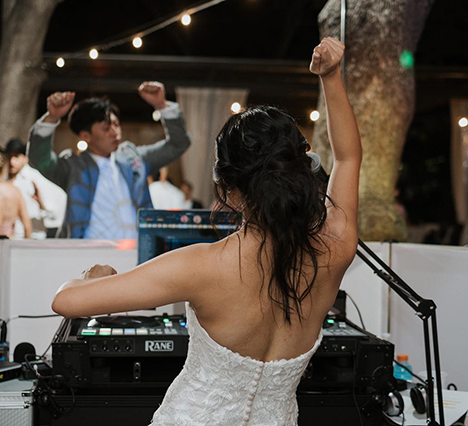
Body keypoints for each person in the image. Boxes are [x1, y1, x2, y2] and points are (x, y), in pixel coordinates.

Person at [51, 38, 361, 425]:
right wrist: (330, 75)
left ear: (229, 191)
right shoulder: (335, 247)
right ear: (302, 171)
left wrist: (93, 277)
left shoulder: (202, 266)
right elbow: (349, 157)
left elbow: (65, 301)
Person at [27, 81, 191, 239]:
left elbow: (178, 144)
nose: (115, 132)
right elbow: (39, 159)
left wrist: (162, 105)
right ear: (85, 136)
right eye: (106, 128)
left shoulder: (133, 158)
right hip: (87, 252)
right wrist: (51, 118)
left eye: (116, 124)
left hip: (137, 250)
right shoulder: (74, 167)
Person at [4, 138, 67, 239]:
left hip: (34, 236)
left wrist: (42, 204)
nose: (12, 162)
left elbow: (58, 204)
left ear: (25, 158)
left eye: (16, 157)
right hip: (13, 236)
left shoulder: (35, 178)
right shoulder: (5, 179)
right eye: (9, 157)